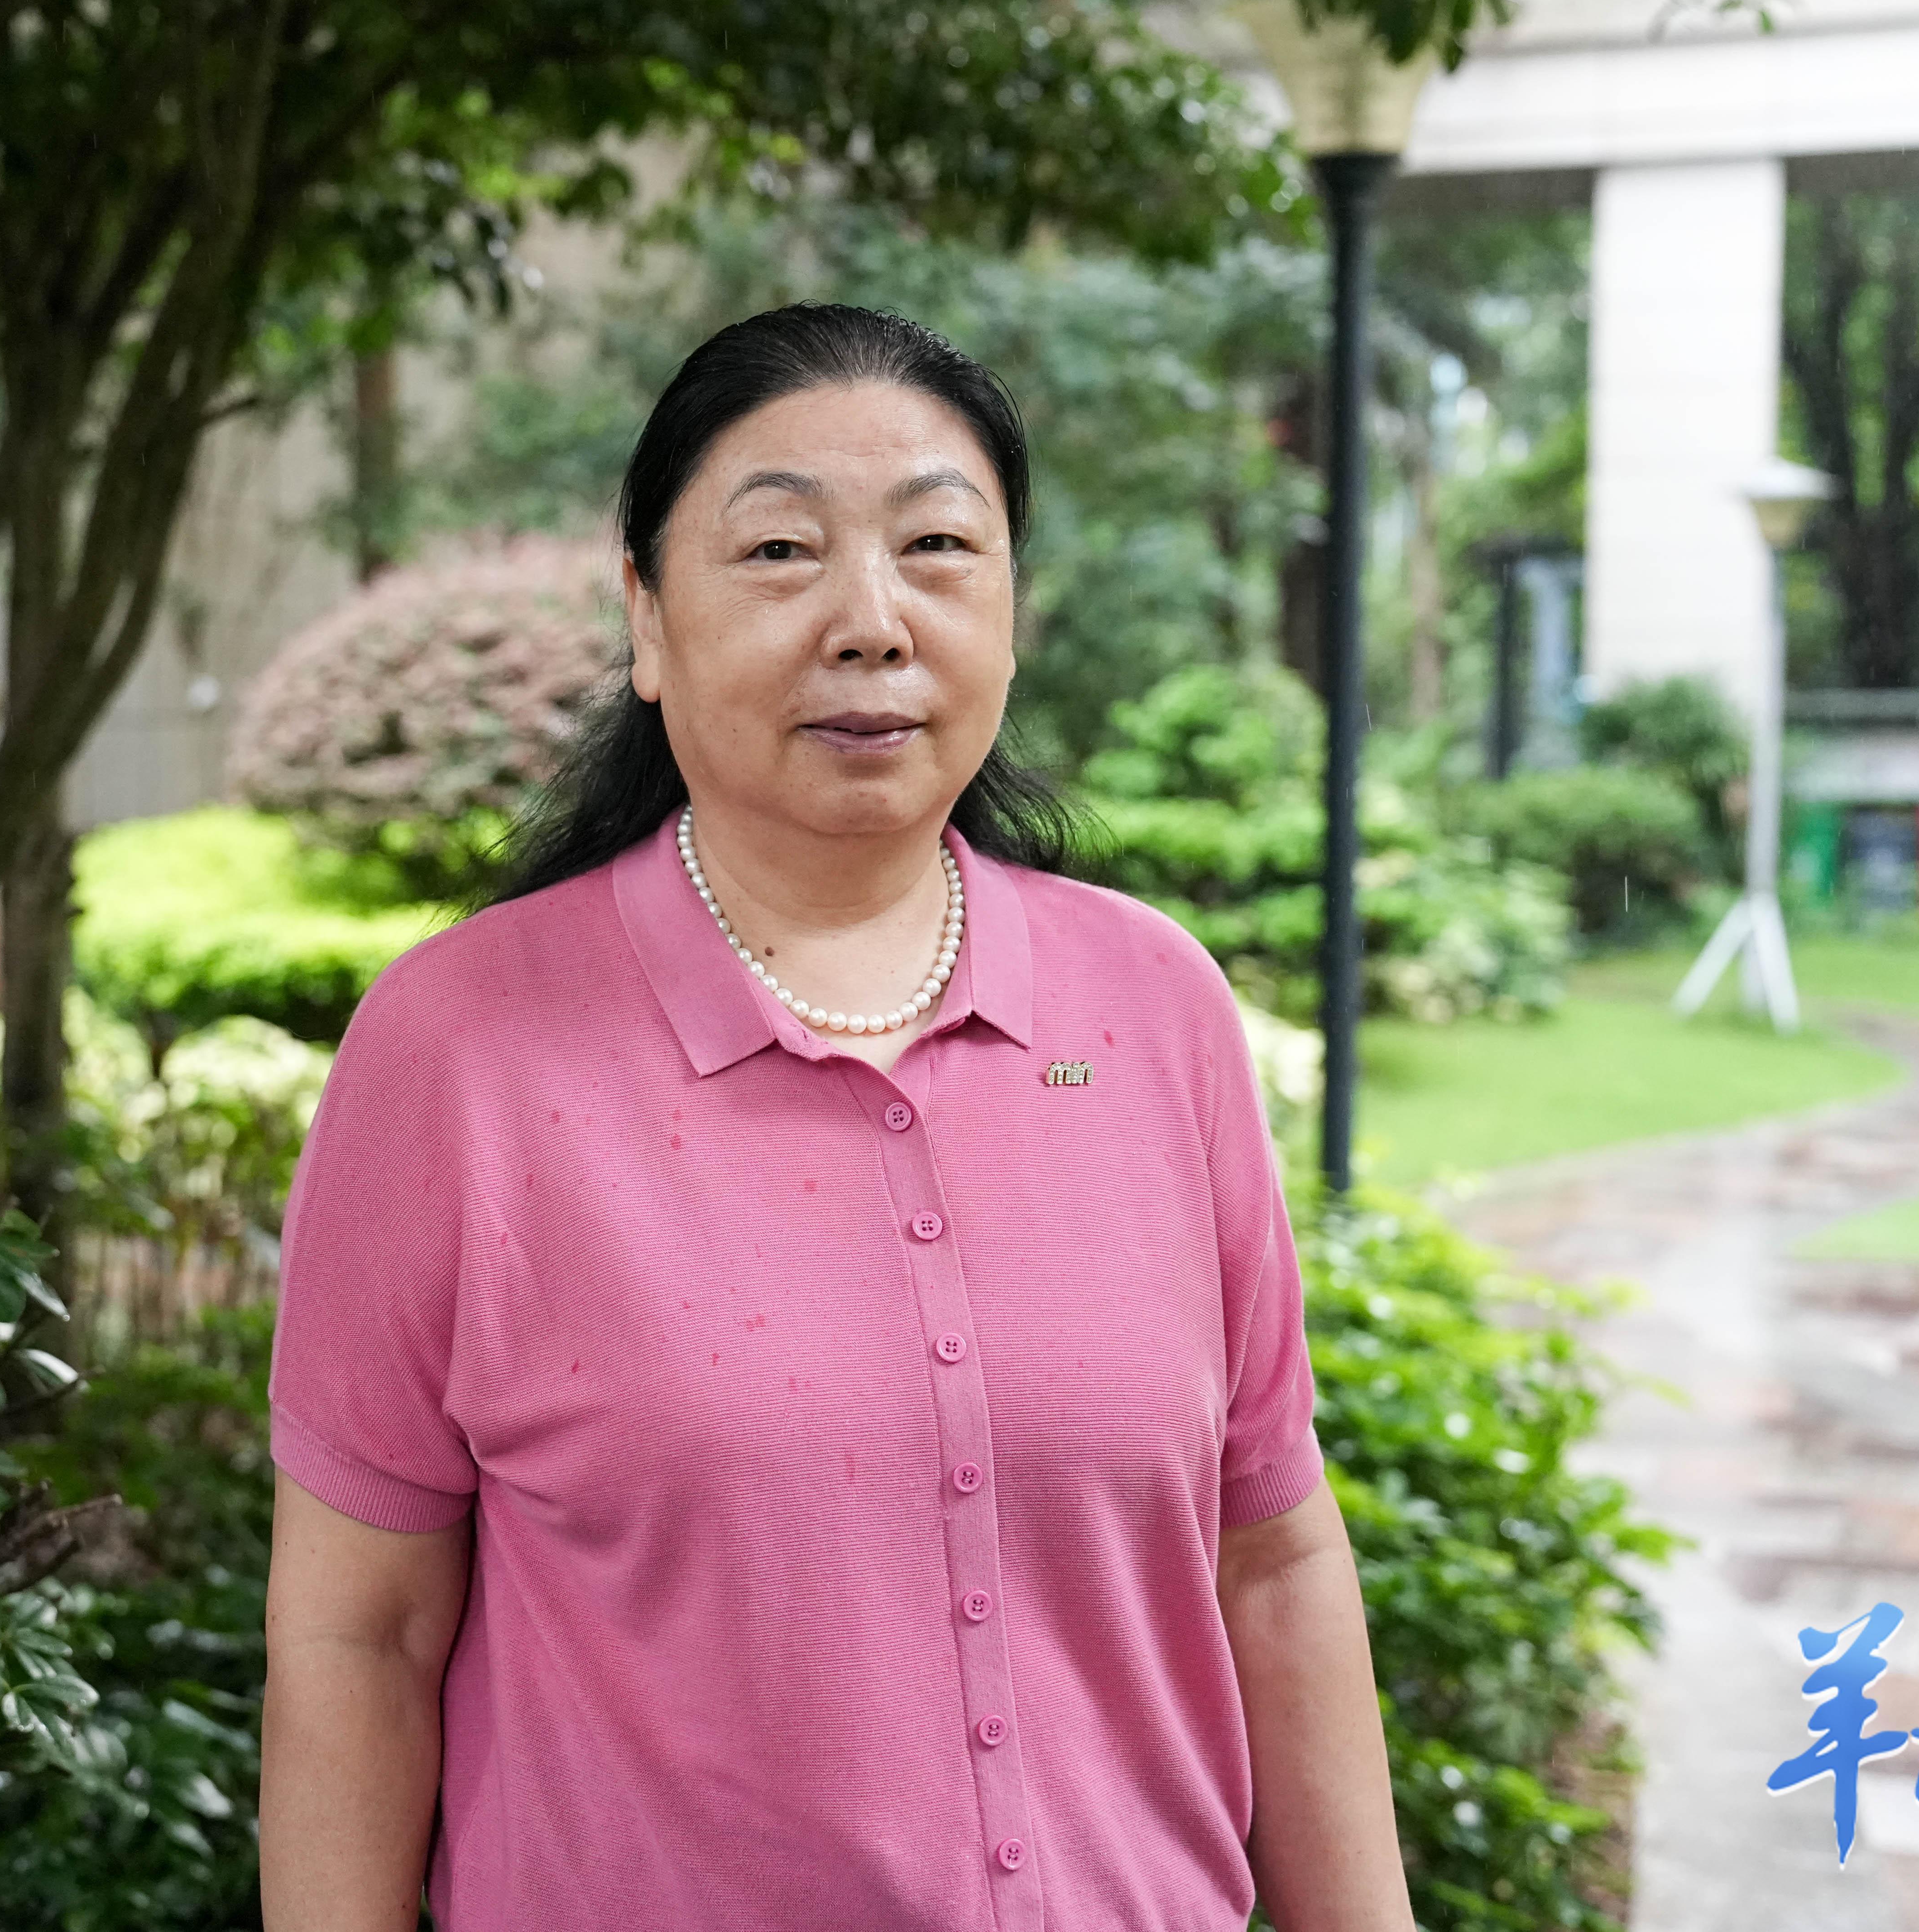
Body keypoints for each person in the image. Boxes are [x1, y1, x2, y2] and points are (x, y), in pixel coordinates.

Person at [258, 302, 1413, 1932]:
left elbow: (1274, 1564)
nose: (873, 623)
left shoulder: (1155, 1006)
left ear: (1010, 611)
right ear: (648, 621)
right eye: (782, 552)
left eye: (939, 547)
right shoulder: (458, 1054)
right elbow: (358, 1640)